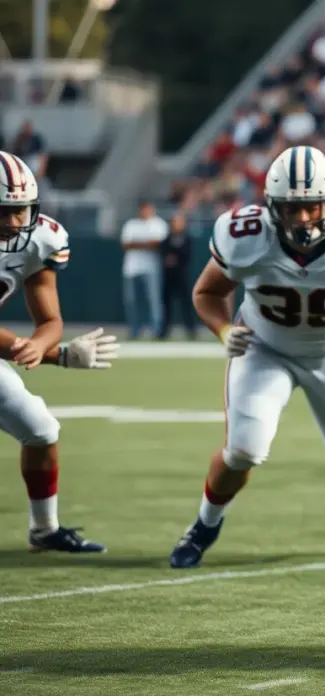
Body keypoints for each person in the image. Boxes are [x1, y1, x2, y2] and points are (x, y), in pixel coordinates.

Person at [168, 145, 325, 568]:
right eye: (291, 208)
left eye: (311, 208)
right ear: (271, 206)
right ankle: (204, 526)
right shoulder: (245, 236)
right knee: (243, 449)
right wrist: (225, 330)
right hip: (264, 348)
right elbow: (207, 293)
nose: (301, 219)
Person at [0, 151, 120, 552]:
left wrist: (43, 346)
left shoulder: (41, 239)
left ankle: (44, 529)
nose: (14, 223)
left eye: (20, 211)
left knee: (41, 429)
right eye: (3, 211)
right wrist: (59, 355)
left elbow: (49, 321)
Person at [121, 200, 169, 339]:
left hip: (151, 268)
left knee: (154, 300)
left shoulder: (159, 224)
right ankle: (134, 330)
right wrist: (147, 243)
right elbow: (126, 244)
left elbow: (158, 244)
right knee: (132, 301)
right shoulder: (131, 225)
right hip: (131, 269)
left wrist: (137, 243)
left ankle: (156, 330)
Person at [158, 213, 197, 340]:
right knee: (166, 306)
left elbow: (186, 256)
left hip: (182, 277)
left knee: (186, 304)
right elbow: (163, 253)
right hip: (168, 277)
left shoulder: (187, 239)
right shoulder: (166, 240)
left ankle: (191, 331)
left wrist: (175, 258)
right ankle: (163, 331)